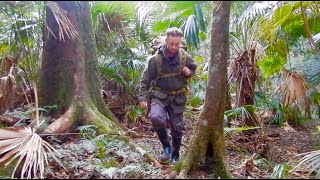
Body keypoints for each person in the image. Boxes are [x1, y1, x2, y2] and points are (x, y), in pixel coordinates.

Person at [137, 27, 197, 164]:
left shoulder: (184, 57)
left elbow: (193, 68)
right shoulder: (155, 59)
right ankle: (166, 146)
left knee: (177, 127)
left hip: (178, 97)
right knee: (155, 117)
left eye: (177, 44)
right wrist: (142, 97)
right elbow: (145, 80)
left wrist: (189, 72)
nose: (174, 47)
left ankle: (175, 155)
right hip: (159, 95)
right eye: (171, 44)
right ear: (166, 41)